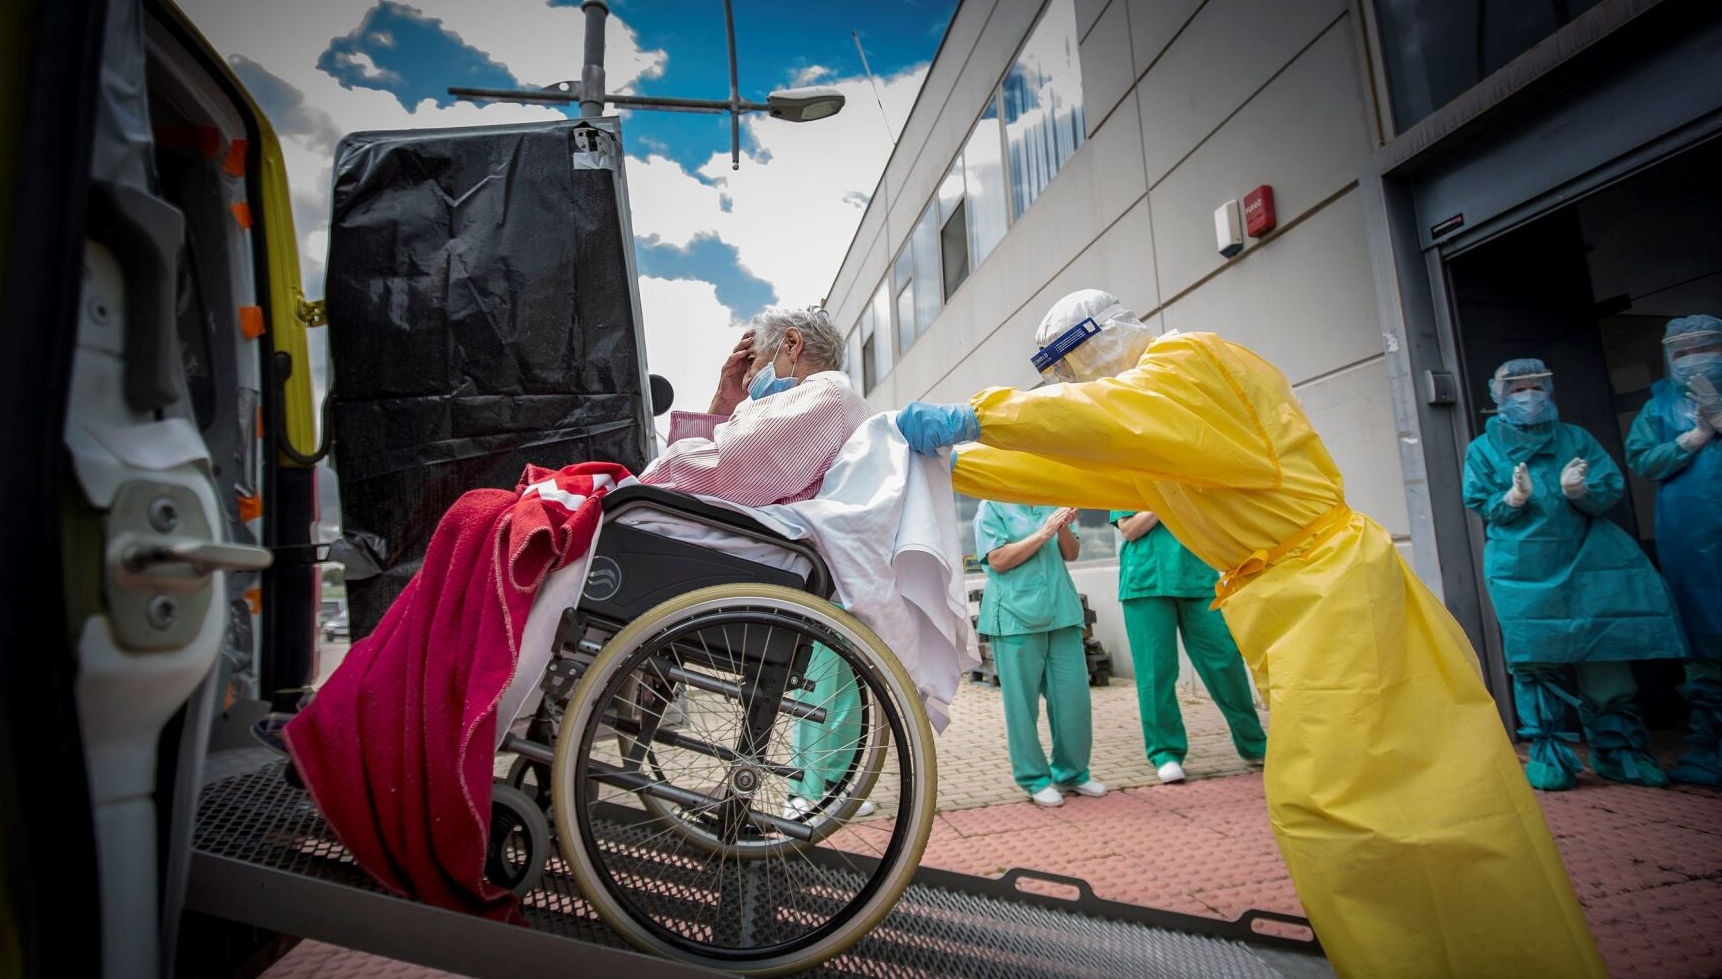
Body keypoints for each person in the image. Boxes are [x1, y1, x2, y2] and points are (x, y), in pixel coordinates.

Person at [896, 290, 1604, 978]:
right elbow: (1080, 466)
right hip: (1304, 605)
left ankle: (1476, 955)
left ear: (1103, 339)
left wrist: (977, 417)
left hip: (1336, 600)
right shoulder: (1165, 429)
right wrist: (961, 463)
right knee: (1363, 805)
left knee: (1358, 806)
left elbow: (1106, 418)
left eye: (1071, 368)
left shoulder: (1189, 363)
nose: (1073, 385)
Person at [1462, 359, 1685, 791]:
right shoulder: (1484, 449)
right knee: (1536, 659)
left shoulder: (1576, 439)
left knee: (1604, 652)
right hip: (1521, 565)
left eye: (1536, 387)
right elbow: (1481, 501)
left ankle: (1618, 752)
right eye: (1518, 389)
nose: (1529, 396)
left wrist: (1580, 492)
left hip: (1588, 557)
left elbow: (1607, 489)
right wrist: (1512, 499)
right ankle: (1550, 757)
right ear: (1499, 396)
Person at [1625, 314, 1722, 786]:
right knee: (1705, 638)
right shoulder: (1660, 405)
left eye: (1704, 346)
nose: (1694, 358)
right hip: (1691, 537)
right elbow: (1643, 459)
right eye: (1683, 351)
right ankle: (1718, 750)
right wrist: (1690, 440)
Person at [640, 307, 868, 506]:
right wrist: (724, 401)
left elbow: (717, 474)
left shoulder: (826, 395)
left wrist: (659, 467)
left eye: (751, 359)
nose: (745, 381)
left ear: (792, 344)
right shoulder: (823, 401)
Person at [1108, 510, 1266, 784]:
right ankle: (1165, 752)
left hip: (1198, 576)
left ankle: (1253, 743)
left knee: (1225, 661)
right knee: (1156, 671)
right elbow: (1130, 530)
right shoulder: (1134, 482)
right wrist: (1165, 497)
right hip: (1147, 580)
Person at [974, 500, 1108, 807]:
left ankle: (1072, 773)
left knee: (1073, 700)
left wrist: (1062, 528)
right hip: (1014, 617)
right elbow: (997, 559)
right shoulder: (991, 505)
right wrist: (1044, 532)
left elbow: (1071, 554)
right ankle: (1034, 778)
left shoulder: (1051, 499)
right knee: (1022, 707)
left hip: (1061, 612)